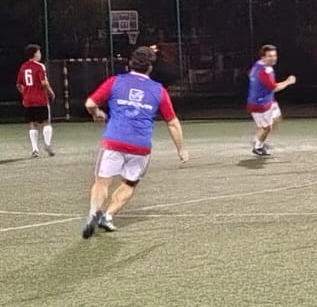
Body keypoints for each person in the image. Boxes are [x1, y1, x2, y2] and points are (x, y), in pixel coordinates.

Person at [81, 46, 188, 238]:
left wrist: (97, 113)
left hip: (114, 141)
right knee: (129, 184)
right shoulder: (159, 90)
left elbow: (90, 103)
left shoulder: (115, 81)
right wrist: (181, 149)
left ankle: (93, 213)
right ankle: (108, 216)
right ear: (150, 67)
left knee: (102, 182)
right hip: (140, 147)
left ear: (130, 63)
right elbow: (172, 123)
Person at [247, 44, 297, 156]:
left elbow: (250, 73)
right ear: (263, 57)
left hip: (267, 100)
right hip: (259, 104)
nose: (273, 58)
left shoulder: (259, 64)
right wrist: (288, 81)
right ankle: (258, 147)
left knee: (276, 118)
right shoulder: (264, 71)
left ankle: (258, 139)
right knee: (267, 128)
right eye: (270, 56)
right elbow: (274, 88)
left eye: (274, 55)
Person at [16, 44, 56, 157]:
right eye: (39, 52)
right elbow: (44, 82)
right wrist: (51, 92)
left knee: (32, 124)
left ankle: (35, 149)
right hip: (40, 98)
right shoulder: (40, 66)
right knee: (46, 122)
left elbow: (18, 84)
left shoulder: (23, 67)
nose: (40, 54)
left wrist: (25, 93)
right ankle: (47, 144)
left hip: (28, 100)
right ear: (34, 54)